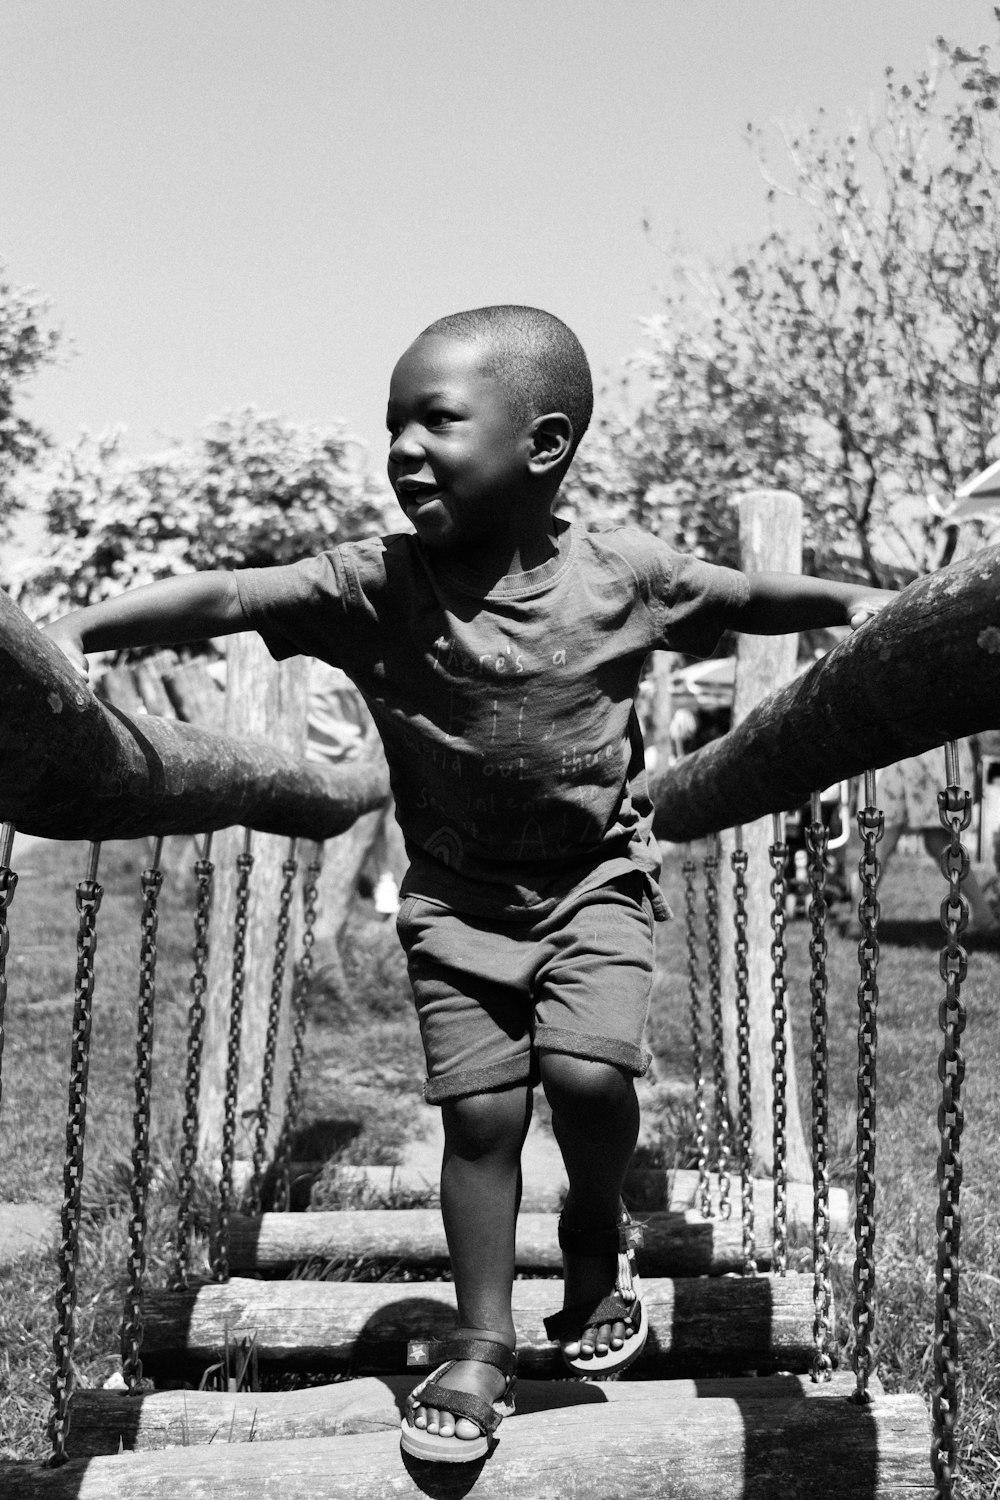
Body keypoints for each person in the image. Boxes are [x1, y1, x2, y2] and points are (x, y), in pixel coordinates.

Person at [43, 305, 893, 1464]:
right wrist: (76, 631)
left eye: (435, 421)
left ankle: (595, 1233)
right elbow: (232, 597)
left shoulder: (623, 573)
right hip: (454, 897)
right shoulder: (372, 584)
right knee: (484, 1115)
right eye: (392, 424)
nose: (402, 448)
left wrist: (851, 604)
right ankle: (482, 1341)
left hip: (594, 878)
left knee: (589, 1079)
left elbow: (743, 598)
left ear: (541, 445)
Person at [849, 743, 1000, 935]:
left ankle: (858, 919)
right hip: (915, 754)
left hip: (926, 753)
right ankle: (984, 916)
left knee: (931, 841)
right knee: (891, 839)